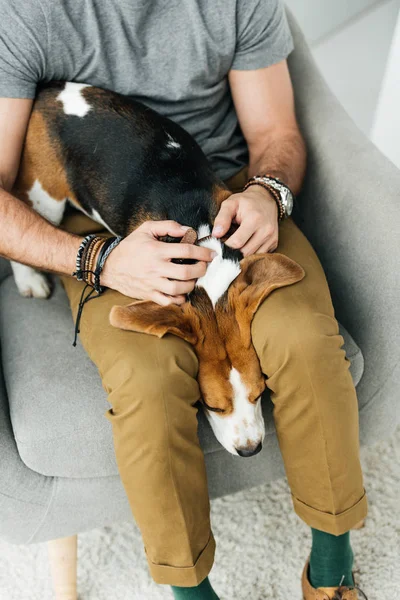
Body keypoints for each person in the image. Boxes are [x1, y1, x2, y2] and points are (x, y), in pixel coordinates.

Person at [0, 1, 368, 598]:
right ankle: (190, 591)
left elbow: (278, 134)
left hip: (231, 201)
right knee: (146, 380)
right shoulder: (27, 15)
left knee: (303, 338)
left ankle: (332, 564)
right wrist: (100, 260)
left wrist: (267, 195)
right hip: (95, 233)